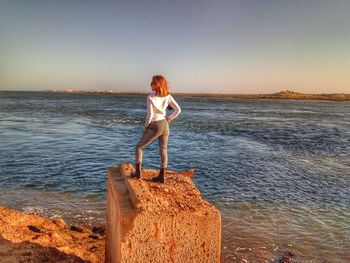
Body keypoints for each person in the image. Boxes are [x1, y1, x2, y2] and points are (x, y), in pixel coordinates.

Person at [132, 75, 181, 183]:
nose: (150, 84)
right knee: (163, 149)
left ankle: (137, 173)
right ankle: (162, 176)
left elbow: (150, 115)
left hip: (155, 124)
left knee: (139, 147)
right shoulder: (168, 96)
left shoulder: (150, 96)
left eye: (152, 83)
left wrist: (146, 127)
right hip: (165, 124)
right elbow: (178, 110)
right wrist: (169, 118)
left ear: (157, 84)